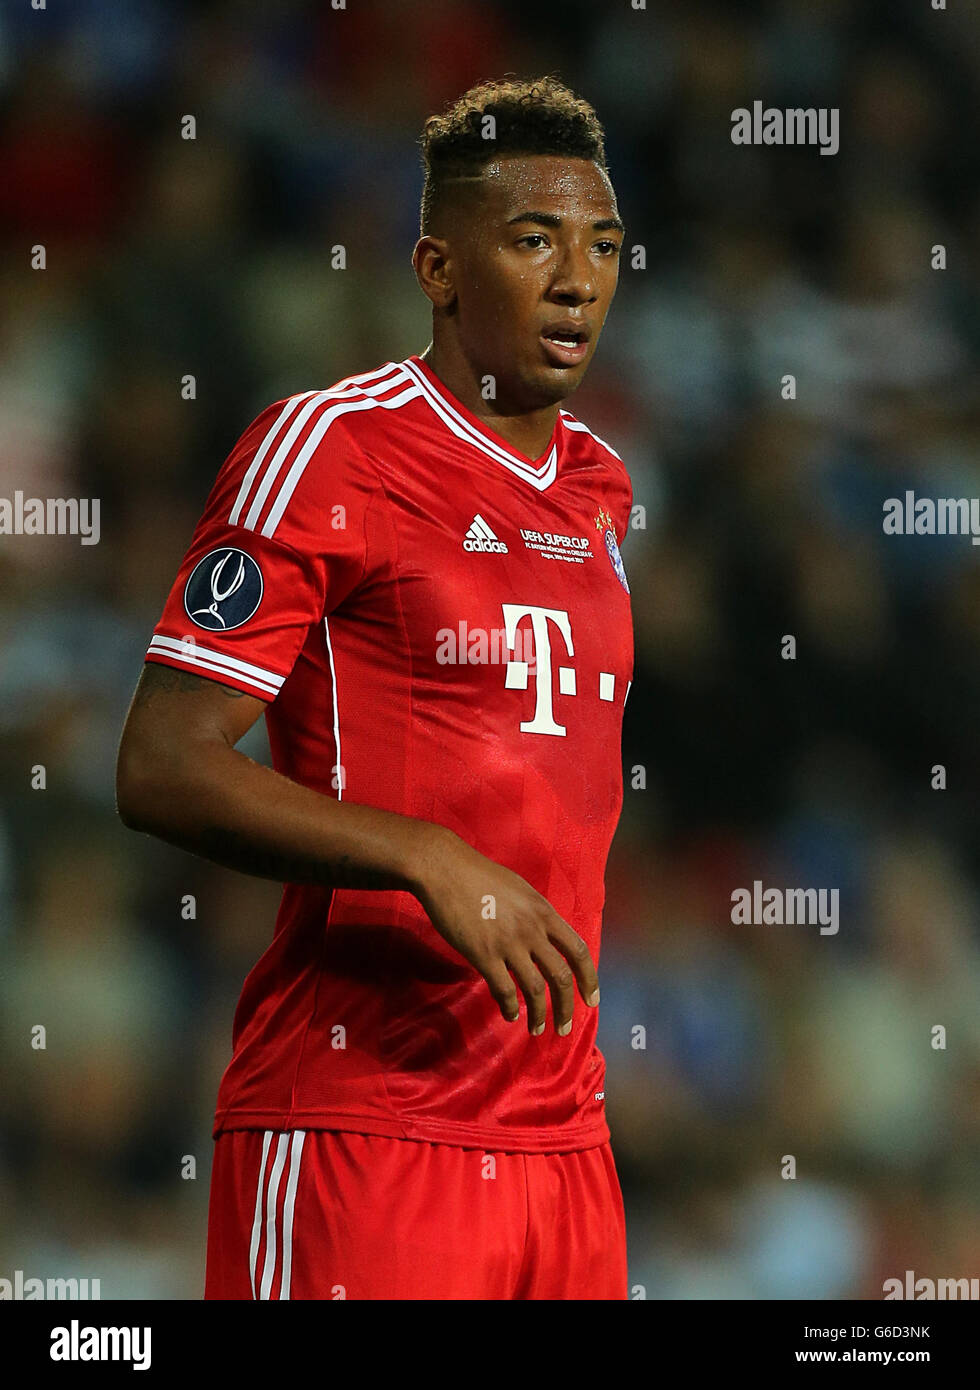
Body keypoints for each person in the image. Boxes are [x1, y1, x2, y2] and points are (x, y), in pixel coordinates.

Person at [116, 75, 634, 1300]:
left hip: (564, 1145)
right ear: (438, 268)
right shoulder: (326, 448)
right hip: (362, 1122)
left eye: (602, 245)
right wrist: (422, 854)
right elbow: (161, 764)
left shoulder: (601, 487)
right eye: (531, 241)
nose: (578, 278)